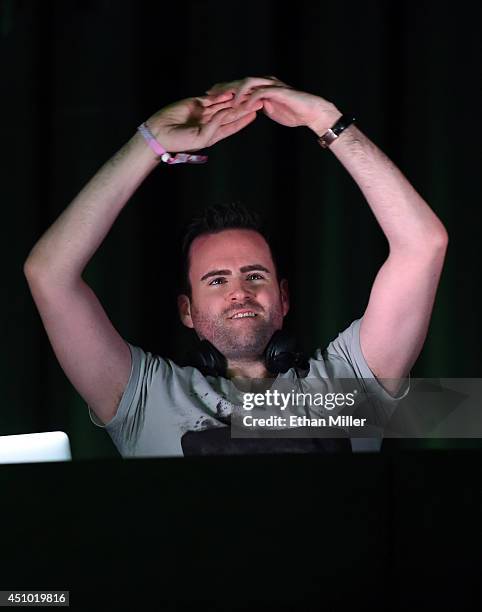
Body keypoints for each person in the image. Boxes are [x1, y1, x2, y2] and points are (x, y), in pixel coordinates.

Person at [24, 76, 448, 456]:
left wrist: (326, 120)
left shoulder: (347, 384)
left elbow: (422, 245)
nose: (239, 291)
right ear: (186, 310)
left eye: (255, 275)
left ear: (283, 297)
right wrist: (149, 142)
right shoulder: (146, 398)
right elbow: (50, 275)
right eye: (216, 280)